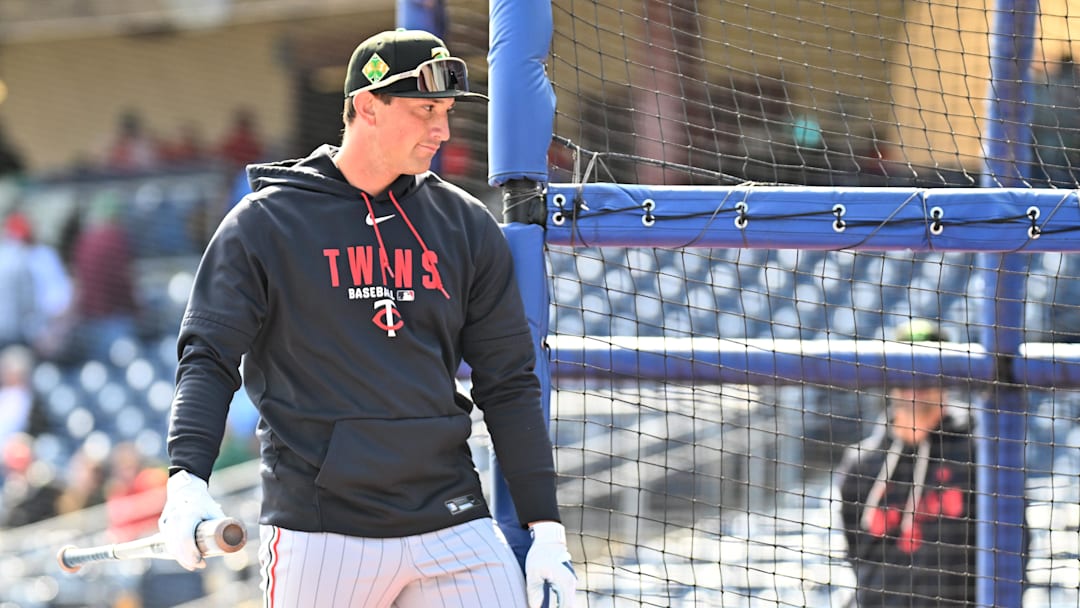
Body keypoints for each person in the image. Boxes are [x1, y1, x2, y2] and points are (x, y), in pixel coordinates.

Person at [158, 28, 576, 608]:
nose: (443, 130)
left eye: (448, 111)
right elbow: (208, 356)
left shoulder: (465, 224)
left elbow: (508, 383)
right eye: (425, 109)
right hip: (322, 530)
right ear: (365, 107)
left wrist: (545, 529)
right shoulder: (265, 224)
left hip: (452, 519)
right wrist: (187, 480)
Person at [836, 320, 977, 606]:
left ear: (946, 378)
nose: (915, 384)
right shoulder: (862, 462)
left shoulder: (981, 455)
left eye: (926, 372)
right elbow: (856, 553)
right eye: (906, 371)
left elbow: (1014, 551)